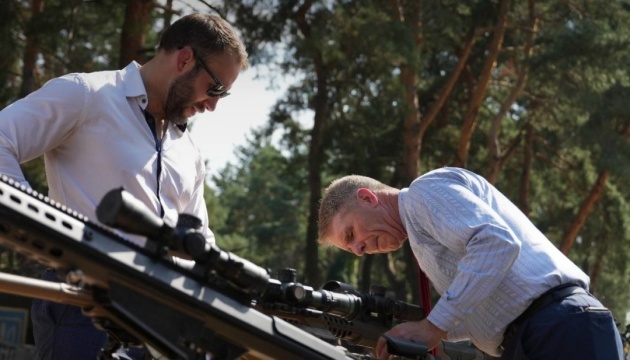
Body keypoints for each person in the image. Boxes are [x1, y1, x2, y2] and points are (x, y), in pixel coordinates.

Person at [0, 13, 249, 360]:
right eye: (215, 88)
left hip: (165, 325)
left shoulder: (190, 150)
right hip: (82, 308)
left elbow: (200, 243)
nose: (213, 106)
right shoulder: (84, 94)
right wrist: (36, 228)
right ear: (185, 59)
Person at [317, 167, 624, 360]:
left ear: (368, 198)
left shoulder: (424, 192)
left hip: (557, 327)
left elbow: (496, 243)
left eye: (351, 233)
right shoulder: (423, 238)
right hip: (539, 333)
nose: (358, 249)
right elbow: (485, 307)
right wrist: (414, 334)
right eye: (350, 248)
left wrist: (433, 326)